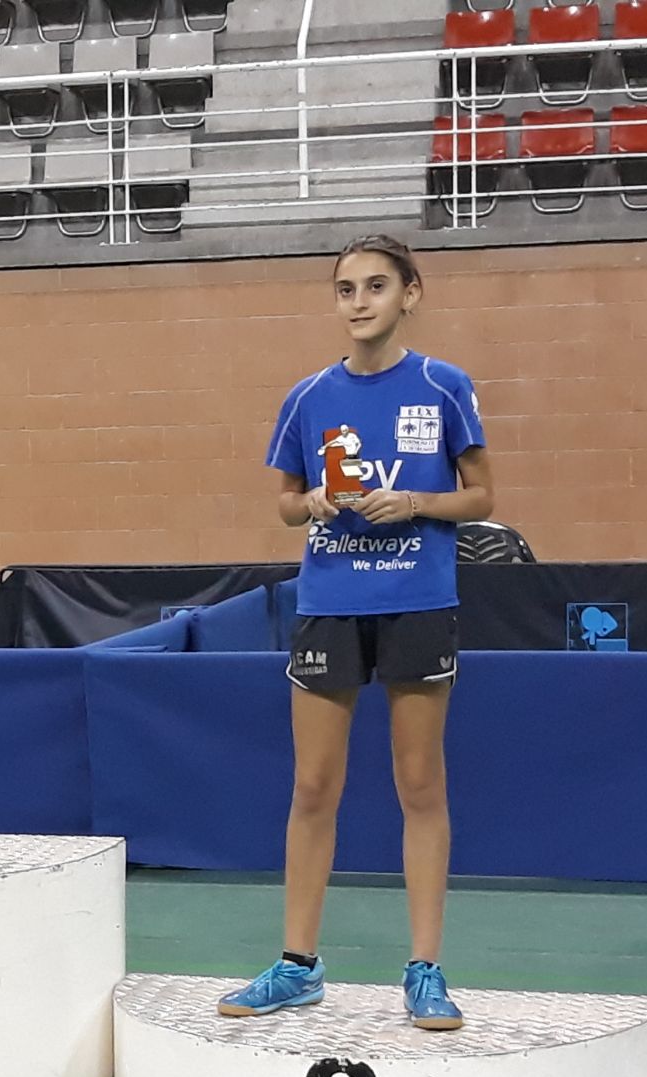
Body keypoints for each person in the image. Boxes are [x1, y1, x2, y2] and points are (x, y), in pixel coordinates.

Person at [218, 235, 494, 1030]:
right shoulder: (308, 398)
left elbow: (481, 496)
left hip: (417, 600)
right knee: (312, 787)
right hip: (330, 602)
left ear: (412, 293)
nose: (360, 301)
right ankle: (298, 966)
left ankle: (425, 969)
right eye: (346, 289)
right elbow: (284, 499)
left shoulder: (444, 387)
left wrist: (414, 505)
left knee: (419, 784)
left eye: (377, 286)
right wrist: (307, 508)